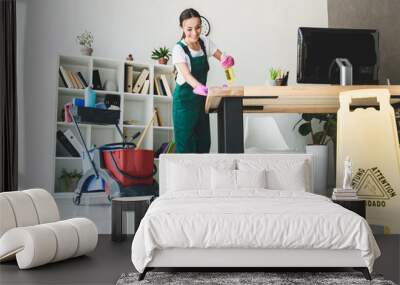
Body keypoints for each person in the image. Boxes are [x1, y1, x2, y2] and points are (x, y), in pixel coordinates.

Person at [172, 8, 234, 153]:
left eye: (198, 27)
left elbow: (221, 56)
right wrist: (201, 88)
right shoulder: (179, 49)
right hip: (184, 103)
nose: (194, 32)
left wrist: (226, 60)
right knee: (186, 145)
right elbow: (187, 75)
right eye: (189, 29)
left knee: (204, 142)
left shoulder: (205, 42)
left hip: (201, 102)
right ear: (182, 27)